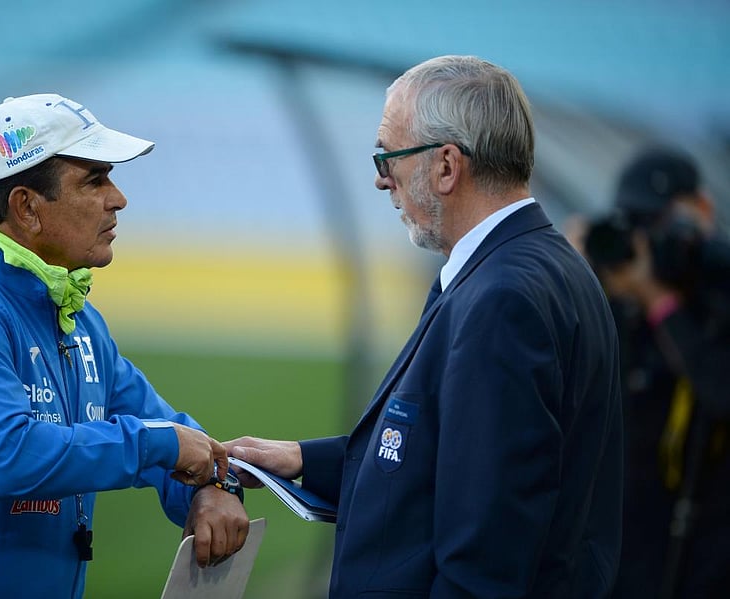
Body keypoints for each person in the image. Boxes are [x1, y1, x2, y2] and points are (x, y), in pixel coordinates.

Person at [226, 55, 623, 597]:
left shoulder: (502, 299)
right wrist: (303, 460)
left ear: (446, 166)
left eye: (389, 156)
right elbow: (438, 461)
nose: (379, 178)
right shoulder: (527, 268)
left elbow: (485, 553)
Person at [0, 94, 249, 598]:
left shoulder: (76, 319)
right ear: (27, 208)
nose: (118, 198)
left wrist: (213, 489)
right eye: (95, 180)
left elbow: (172, 429)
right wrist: (160, 445)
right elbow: (6, 457)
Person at [583, 148, 730, 599]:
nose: (647, 243)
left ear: (701, 209)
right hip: (636, 536)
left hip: (710, 542)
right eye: (637, 225)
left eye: (661, 222)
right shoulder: (620, 294)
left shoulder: (718, 282)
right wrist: (577, 279)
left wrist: (659, 302)